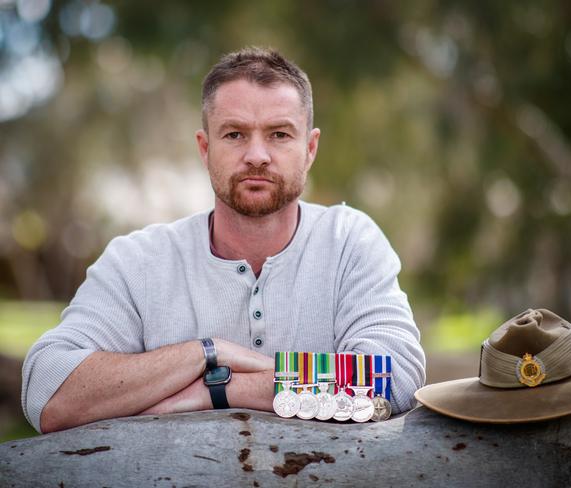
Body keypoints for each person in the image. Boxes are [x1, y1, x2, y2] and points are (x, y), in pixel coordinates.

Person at [21, 47, 426, 433]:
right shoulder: (138, 261)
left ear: (310, 148)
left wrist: (218, 389)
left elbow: (392, 381)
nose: (257, 155)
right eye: (234, 134)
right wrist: (206, 352)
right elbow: (47, 392)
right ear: (205, 148)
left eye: (279, 134)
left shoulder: (349, 241)